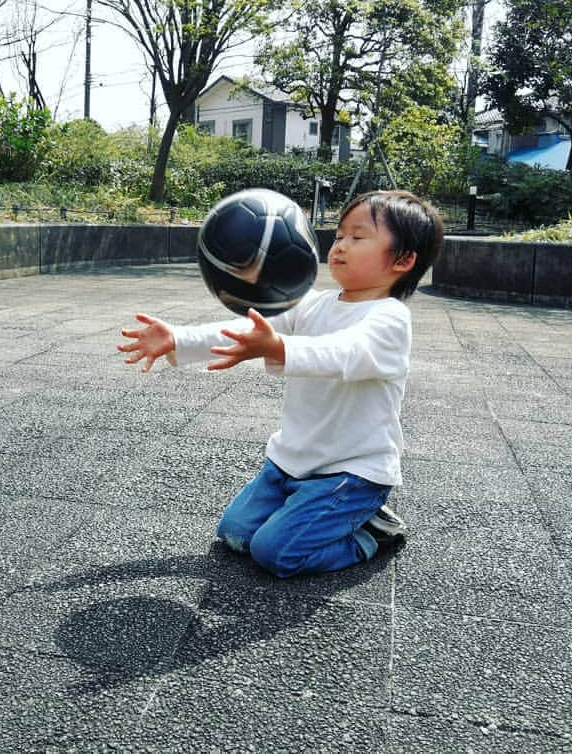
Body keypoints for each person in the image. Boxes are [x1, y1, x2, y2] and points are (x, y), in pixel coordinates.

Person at [117, 190, 444, 578]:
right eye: (339, 235)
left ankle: (370, 532)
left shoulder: (389, 318)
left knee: (276, 554)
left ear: (404, 260)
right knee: (235, 535)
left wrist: (278, 347)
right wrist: (180, 338)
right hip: (291, 461)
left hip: (350, 472)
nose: (340, 246)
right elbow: (250, 329)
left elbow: (342, 352)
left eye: (358, 237)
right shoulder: (313, 303)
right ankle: (314, 512)